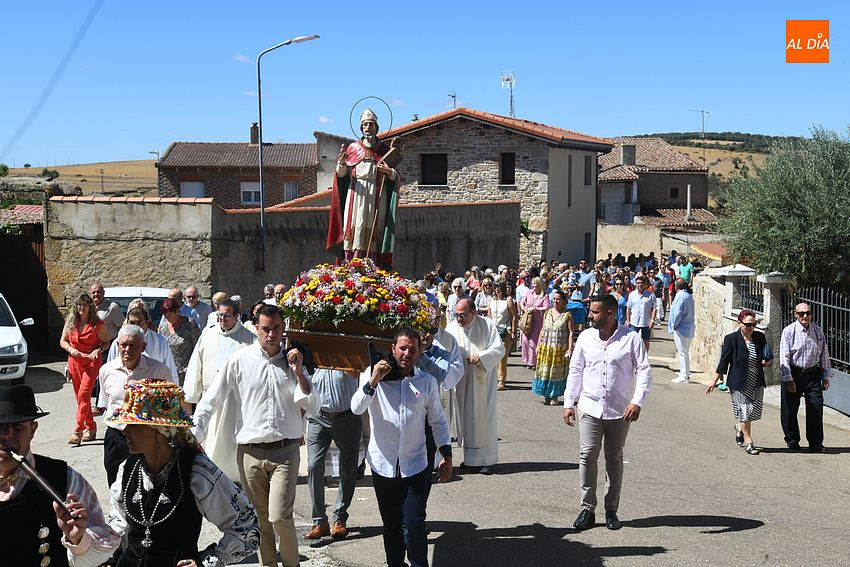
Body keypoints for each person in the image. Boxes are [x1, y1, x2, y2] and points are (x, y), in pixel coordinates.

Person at [192, 304, 319, 567]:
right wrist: (196, 432)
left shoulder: (294, 362)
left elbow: (313, 404)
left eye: (276, 329)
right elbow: (211, 399)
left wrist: (297, 372)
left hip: (285, 451)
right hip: (250, 453)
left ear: (284, 330)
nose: (270, 334)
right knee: (260, 519)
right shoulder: (240, 360)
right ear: (256, 329)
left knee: (279, 516)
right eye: (265, 329)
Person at [107, 379, 260, 566]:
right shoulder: (128, 469)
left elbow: (246, 525)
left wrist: (207, 562)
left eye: (135, 425)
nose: (125, 431)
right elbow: (117, 526)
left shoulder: (196, 471)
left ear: (158, 431)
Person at [351, 329, 452, 567]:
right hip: (382, 465)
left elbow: (437, 420)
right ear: (393, 348)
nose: (407, 353)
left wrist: (445, 454)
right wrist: (373, 380)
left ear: (419, 352)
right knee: (392, 526)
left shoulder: (425, 381)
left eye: (413, 349)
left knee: (415, 525)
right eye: (403, 348)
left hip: (415, 464)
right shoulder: (372, 374)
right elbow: (356, 407)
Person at [0, 384, 121, 566]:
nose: (6, 435)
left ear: (33, 430)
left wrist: (79, 540)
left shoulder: (64, 479)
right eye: (0, 426)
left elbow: (106, 545)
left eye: (17, 427)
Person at [563, 294, 651, 531]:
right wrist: (568, 401)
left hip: (620, 411)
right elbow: (575, 370)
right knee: (587, 456)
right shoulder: (585, 338)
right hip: (590, 407)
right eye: (590, 311)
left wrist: (637, 401)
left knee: (614, 458)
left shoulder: (631, 338)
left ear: (610, 314)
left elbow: (643, 370)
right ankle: (587, 509)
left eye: (594, 312)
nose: (589, 315)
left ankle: (611, 509)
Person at [182, 298, 256, 480]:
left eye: (227, 315)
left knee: (232, 443)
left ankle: (237, 477)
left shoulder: (249, 339)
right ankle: (213, 474)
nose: (222, 319)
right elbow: (195, 365)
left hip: (236, 401)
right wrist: (191, 396)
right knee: (211, 439)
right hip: (210, 399)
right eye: (220, 315)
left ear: (237, 316)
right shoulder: (208, 335)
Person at [97, 325, 175, 487]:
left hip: (146, 437)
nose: (127, 349)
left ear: (143, 347)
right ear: (117, 345)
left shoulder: (158, 370)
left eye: (133, 345)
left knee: (146, 484)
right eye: (123, 345)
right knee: (115, 482)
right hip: (116, 436)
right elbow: (107, 403)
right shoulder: (106, 370)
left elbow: (169, 407)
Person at [327, 108, 400, 267]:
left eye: (371, 125)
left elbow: (395, 177)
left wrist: (390, 172)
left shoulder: (384, 151)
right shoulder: (353, 148)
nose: (368, 128)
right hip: (356, 195)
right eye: (365, 125)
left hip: (377, 197)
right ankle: (351, 267)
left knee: (375, 233)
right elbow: (341, 176)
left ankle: (373, 268)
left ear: (376, 128)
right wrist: (340, 163)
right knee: (355, 229)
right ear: (361, 128)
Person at [446, 298, 505, 474]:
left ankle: (486, 459)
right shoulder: (451, 327)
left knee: (482, 416)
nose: (459, 319)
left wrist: (481, 356)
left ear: (473, 313)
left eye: (463, 315)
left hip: (482, 379)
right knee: (465, 417)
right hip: (461, 379)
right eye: (456, 315)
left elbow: (499, 349)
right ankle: (470, 459)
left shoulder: (487, 326)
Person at [304, 369, 362, 541]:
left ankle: (340, 518)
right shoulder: (311, 351)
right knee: (313, 466)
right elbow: (303, 383)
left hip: (347, 417)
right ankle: (319, 521)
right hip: (318, 416)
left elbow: (355, 374)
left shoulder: (343, 350)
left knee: (348, 468)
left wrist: (338, 359)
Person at [706, 310, 773, 455]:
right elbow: (724, 362)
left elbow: (767, 358)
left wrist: (767, 363)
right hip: (738, 383)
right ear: (739, 323)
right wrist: (714, 380)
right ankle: (749, 442)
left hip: (755, 381)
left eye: (753, 324)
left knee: (753, 413)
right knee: (745, 411)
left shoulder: (760, 337)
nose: (751, 327)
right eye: (748, 324)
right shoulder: (731, 339)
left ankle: (739, 427)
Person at [779, 302, 832, 452]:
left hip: (813, 374)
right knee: (789, 409)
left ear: (811, 314)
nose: (804, 316)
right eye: (801, 313)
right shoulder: (789, 331)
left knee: (816, 407)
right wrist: (788, 379)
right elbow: (784, 356)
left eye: (807, 313)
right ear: (795, 314)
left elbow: (824, 354)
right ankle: (792, 439)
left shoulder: (817, 331)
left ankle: (815, 443)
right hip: (794, 373)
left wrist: (826, 375)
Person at [60, 293, 110, 445]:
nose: (81, 308)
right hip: (75, 361)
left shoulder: (98, 324)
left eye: (84, 305)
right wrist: (70, 349)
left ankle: (78, 429)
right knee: (80, 397)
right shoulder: (71, 322)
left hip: (91, 362)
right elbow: (63, 341)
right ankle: (91, 427)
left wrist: (98, 350)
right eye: (79, 305)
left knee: (84, 394)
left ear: (90, 307)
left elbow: (106, 343)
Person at [105, 304, 179, 383]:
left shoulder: (160, 341)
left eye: (139, 323)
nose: (136, 326)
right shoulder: (119, 342)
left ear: (147, 323)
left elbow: (169, 369)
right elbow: (110, 369)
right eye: (132, 323)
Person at [533, 289, 575, 406]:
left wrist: (569, 348)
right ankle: (546, 394)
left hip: (559, 349)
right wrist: (538, 345)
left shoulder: (567, 315)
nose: (556, 301)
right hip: (546, 348)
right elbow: (542, 329)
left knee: (556, 372)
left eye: (558, 299)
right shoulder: (547, 313)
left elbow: (571, 332)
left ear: (563, 301)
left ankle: (554, 396)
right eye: (554, 299)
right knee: (545, 370)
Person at [158, 297, 202, 386]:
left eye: (169, 315)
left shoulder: (190, 324)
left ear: (177, 311)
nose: (167, 318)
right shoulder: (163, 328)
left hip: (187, 373)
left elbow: (198, 347)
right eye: (165, 316)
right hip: (168, 373)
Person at [490, 280, 517, 391]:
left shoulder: (508, 300)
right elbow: (489, 316)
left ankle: (501, 381)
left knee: (502, 357)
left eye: (499, 287)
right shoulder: (492, 300)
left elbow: (514, 316)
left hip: (506, 330)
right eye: (495, 287)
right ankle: (495, 378)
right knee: (494, 356)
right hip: (494, 330)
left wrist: (514, 332)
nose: (497, 289)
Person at [667, 278, 695, 384]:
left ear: (676, 287)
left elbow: (677, 313)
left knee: (682, 352)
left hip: (681, 328)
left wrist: (674, 325)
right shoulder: (689, 296)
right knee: (684, 352)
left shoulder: (679, 297)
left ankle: (684, 375)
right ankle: (684, 373)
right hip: (689, 328)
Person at [519, 277, 550, 369]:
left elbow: (546, 307)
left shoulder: (544, 296)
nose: (533, 286)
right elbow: (522, 302)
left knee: (534, 341)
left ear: (539, 285)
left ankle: (533, 362)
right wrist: (523, 307)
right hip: (527, 319)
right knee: (525, 339)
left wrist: (536, 309)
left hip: (537, 320)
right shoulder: (529, 293)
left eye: (535, 285)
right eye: (532, 284)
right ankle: (528, 359)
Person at [626, 276, 656, 352]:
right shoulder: (632, 295)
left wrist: (652, 320)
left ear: (645, 284)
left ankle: (644, 357)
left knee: (646, 341)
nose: (640, 285)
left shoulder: (651, 295)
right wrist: (628, 320)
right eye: (638, 283)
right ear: (635, 284)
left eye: (641, 283)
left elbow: (654, 308)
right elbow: (628, 308)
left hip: (646, 322)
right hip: (634, 322)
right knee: (632, 340)